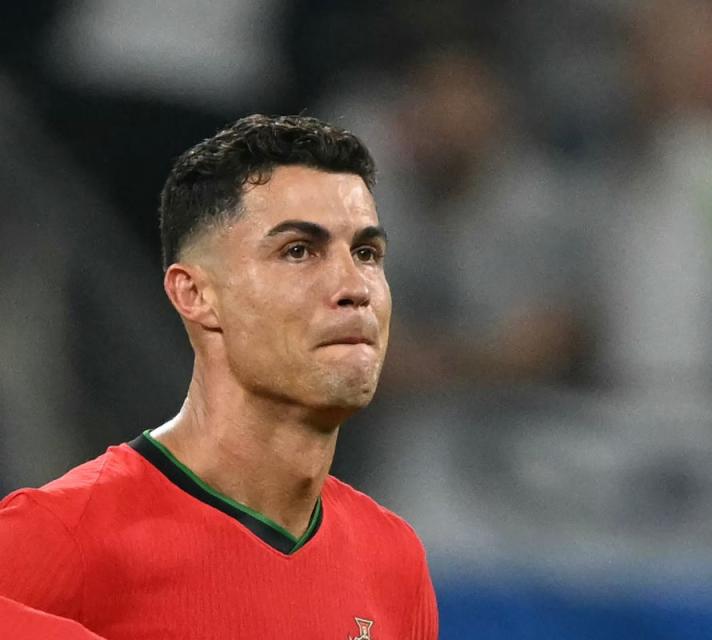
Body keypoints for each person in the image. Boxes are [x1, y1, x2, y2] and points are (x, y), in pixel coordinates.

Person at [0, 114, 439, 639]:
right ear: (195, 295)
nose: (354, 286)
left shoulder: (394, 560)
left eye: (366, 253)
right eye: (298, 250)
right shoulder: (63, 533)